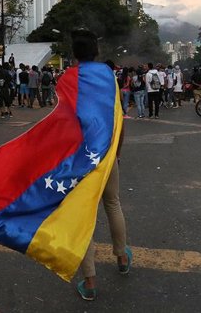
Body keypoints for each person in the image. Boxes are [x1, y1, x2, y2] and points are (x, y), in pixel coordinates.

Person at [73, 30, 131, 302]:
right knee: (113, 203)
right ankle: (121, 257)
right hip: (107, 154)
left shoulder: (68, 79)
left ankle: (90, 280)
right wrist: (116, 152)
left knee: (84, 214)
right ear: (96, 52)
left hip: (80, 157)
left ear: (74, 53)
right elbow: (118, 116)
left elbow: (61, 124)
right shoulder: (109, 77)